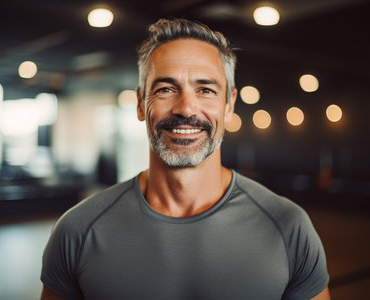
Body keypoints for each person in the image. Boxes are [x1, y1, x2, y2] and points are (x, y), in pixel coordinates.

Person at [40, 18, 330, 300]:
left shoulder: (289, 226)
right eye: (166, 89)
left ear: (229, 105)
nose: (186, 107)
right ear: (141, 103)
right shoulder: (77, 230)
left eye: (206, 90)